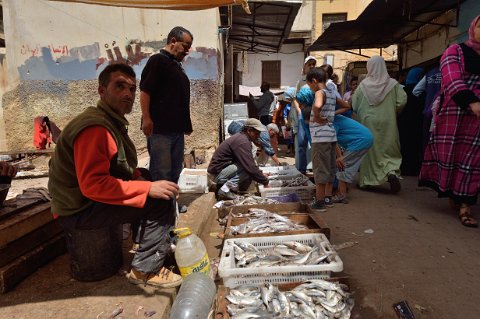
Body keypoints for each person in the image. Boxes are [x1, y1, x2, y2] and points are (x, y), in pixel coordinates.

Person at [48, 64, 183, 288]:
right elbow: (93, 185)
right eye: (119, 86)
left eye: (132, 89)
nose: (128, 94)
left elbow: (118, 167)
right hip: (78, 209)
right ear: (102, 91)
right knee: (162, 199)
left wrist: (142, 180)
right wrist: (147, 189)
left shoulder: (109, 121)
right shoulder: (96, 128)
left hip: (83, 199)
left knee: (150, 177)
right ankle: (145, 270)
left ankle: (147, 242)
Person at [419, 15, 480, 228]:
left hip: (477, 122)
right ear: (473, 28)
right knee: (453, 157)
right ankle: (457, 194)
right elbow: (452, 80)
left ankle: (465, 205)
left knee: (472, 161)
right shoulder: (454, 51)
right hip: (454, 116)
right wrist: (472, 102)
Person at [140, 26, 193, 184]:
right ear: (173, 41)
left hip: (176, 131)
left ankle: (171, 206)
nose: (187, 51)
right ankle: (161, 208)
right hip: (160, 131)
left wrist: (186, 124)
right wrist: (146, 118)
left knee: (175, 173)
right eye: (186, 46)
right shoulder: (157, 61)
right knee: (161, 174)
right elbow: (145, 91)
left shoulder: (176, 65)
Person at [352, 55, 407, 193]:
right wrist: (393, 111)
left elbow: (355, 104)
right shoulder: (393, 84)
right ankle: (391, 172)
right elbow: (402, 101)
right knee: (388, 148)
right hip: (388, 121)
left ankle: (366, 181)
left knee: (369, 151)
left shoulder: (363, 85)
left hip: (368, 121)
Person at [208, 118, 269, 200]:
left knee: (250, 169)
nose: (258, 135)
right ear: (249, 130)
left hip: (223, 171)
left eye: (259, 133)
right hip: (217, 173)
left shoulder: (243, 138)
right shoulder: (242, 141)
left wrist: (260, 174)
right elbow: (250, 166)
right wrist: (264, 181)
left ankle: (237, 190)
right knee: (248, 169)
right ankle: (224, 190)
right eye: (256, 132)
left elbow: (250, 162)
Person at [306, 67, 338, 211]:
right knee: (330, 168)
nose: (310, 89)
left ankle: (319, 203)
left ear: (314, 81)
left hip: (320, 138)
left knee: (320, 169)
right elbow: (346, 105)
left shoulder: (319, 92)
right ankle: (327, 198)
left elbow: (317, 106)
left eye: (309, 85)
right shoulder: (331, 93)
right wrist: (330, 115)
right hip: (331, 136)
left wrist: (318, 117)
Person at [332, 115, 373, 204]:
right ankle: (341, 191)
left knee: (342, 165)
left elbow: (333, 140)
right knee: (347, 165)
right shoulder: (337, 118)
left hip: (359, 141)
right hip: (365, 139)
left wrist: (339, 156)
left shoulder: (332, 122)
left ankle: (341, 195)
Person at [292, 56, 317, 174]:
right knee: (302, 142)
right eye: (309, 64)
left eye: (313, 64)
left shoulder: (319, 79)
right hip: (303, 114)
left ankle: (315, 167)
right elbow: (295, 99)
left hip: (315, 114)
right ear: (305, 66)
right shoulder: (300, 82)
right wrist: (299, 111)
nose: (311, 66)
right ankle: (302, 169)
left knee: (315, 143)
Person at [398, 67, 424, 176]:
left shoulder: (401, 90)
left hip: (402, 123)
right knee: (414, 146)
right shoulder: (421, 92)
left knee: (403, 145)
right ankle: (413, 169)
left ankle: (403, 168)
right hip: (416, 124)